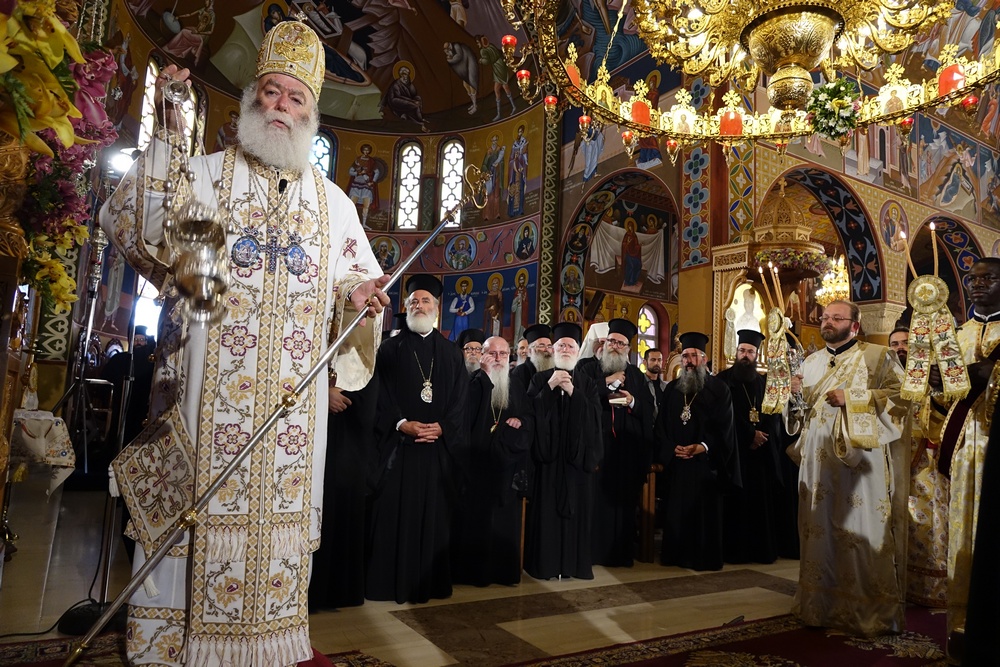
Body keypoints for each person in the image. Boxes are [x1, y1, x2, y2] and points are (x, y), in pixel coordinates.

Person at [99, 19, 390, 665]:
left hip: (286, 435)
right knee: (186, 530)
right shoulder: (201, 177)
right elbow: (145, 236)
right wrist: (170, 134)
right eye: (271, 91)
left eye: (295, 97)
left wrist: (361, 301)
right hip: (204, 412)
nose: (279, 106)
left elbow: (352, 285)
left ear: (311, 112)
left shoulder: (335, 204)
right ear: (250, 98)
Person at [786, 299, 907, 636]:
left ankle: (866, 611)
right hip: (817, 462)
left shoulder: (878, 356)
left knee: (859, 531)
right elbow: (802, 414)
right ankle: (819, 607)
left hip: (859, 464)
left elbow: (903, 397)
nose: (828, 321)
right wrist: (794, 398)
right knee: (818, 533)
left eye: (836, 317)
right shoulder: (811, 362)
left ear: (855, 325)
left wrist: (852, 399)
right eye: (825, 316)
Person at [367, 274, 468, 604]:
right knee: (394, 516)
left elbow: (460, 400)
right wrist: (400, 423)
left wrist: (442, 427)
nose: (418, 305)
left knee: (434, 517)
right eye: (413, 301)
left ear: (437, 309)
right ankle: (388, 584)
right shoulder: (390, 349)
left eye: (425, 301)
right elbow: (378, 394)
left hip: (436, 451)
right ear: (406, 307)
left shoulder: (452, 353)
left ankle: (430, 584)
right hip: (400, 449)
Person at [926, 258, 1000, 657]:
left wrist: (991, 374)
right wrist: (938, 384)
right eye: (972, 280)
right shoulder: (958, 334)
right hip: (963, 450)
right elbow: (944, 401)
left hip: (994, 447)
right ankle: (961, 627)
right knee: (962, 536)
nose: (977, 285)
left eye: (988, 278)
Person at [523, 322, 602, 580]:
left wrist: (572, 392)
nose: (565, 349)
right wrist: (549, 389)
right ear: (553, 350)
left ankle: (573, 566)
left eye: (570, 345)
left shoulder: (587, 383)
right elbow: (529, 416)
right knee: (545, 515)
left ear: (578, 351)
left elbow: (595, 419)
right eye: (561, 345)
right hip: (546, 465)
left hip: (575, 464)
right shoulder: (538, 379)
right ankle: (544, 566)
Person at [451, 336, 532, 587]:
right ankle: (473, 574)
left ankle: (504, 572)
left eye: (503, 354)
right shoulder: (471, 382)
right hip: (474, 464)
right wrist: (484, 375)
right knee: (475, 521)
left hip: (504, 465)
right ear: (482, 355)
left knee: (504, 519)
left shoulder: (515, 384)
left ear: (510, 358)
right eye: (492, 353)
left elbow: (527, 416)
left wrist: (521, 422)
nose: (497, 359)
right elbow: (464, 418)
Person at [656, 332, 739, 571]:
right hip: (678, 463)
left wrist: (701, 447)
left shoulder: (719, 389)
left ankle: (703, 557)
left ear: (703, 359)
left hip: (705, 465)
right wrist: (672, 448)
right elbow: (660, 426)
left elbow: (725, 428)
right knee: (677, 511)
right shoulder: (672, 389)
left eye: (694, 355)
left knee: (704, 514)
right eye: (685, 356)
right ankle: (675, 556)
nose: (689, 361)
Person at [582, 319, 653, 567]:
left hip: (625, 452)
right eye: (611, 341)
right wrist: (606, 382)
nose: (615, 346)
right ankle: (591, 553)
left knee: (622, 505)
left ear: (628, 349)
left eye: (620, 343)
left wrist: (633, 400)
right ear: (604, 342)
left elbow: (648, 409)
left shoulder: (636, 375)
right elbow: (580, 397)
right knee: (594, 503)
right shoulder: (587, 368)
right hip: (597, 449)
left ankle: (620, 555)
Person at [889, 325, 949, 609]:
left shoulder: (928, 377)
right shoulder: (885, 377)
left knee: (926, 522)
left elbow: (939, 414)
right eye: (894, 343)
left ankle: (929, 589)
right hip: (890, 460)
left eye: (904, 342)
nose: (899, 347)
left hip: (925, 462)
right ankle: (896, 582)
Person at [718, 330, 784, 565]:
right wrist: (749, 435)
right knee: (735, 503)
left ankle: (760, 551)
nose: (745, 356)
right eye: (742, 351)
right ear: (736, 353)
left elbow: (773, 414)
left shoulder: (765, 383)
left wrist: (761, 435)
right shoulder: (722, 381)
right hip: (735, 452)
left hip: (760, 455)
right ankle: (734, 552)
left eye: (750, 352)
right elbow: (722, 417)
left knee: (759, 504)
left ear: (758, 355)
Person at [379, 64, 429, 132]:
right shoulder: (396, 84)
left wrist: (410, 87)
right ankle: (420, 123)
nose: (405, 76)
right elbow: (398, 96)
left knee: (418, 98)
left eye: (407, 74)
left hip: (405, 100)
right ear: (400, 74)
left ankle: (418, 117)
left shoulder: (408, 83)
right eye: (404, 74)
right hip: (395, 101)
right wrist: (412, 102)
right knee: (415, 105)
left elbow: (414, 94)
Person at [510, 323, 552, 401]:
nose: (547, 349)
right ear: (530, 350)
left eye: (549, 346)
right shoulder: (519, 372)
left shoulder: (554, 370)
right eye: (541, 345)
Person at [347, 144, 382, 229]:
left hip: (367, 185)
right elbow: (350, 171)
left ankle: (364, 224)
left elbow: (377, 172)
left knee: (366, 205)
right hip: (357, 183)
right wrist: (359, 173)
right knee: (351, 204)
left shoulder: (371, 161)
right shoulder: (357, 160)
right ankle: (350, 223)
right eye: (364, 150)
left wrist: (372, 182)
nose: (366, 152)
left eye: (368, 150)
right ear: (362, 150)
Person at [507, 125, 528, 217]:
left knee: (520, 189)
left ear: (522, 132)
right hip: (514, 172)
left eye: (521, 132)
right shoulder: (514, 144)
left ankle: (520, 210)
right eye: (518, 132)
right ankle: (512, 211)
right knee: (513, 189)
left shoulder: (525, 142)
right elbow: (510, 158)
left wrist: (520, 156)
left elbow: (525, 157)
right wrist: (514, 159)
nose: (519, 133)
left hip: (520, 170)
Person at [448, 277, 475, 341]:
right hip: (458, 318)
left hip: (465, 318)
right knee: (457, 331)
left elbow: (472, 308)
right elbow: (450, 309)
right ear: (461, 287)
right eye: (463, 286)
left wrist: (465, 312)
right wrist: (458, 309)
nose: (464, 288)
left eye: (465, 286)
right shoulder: (457, 299)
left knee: (465, 332)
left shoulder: (469, 298)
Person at [643, 347, 665, 421]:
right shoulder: (640, 383)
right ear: (645, 362)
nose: (656, 363)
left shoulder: (665, 386)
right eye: (653, 360)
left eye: (659, 360)